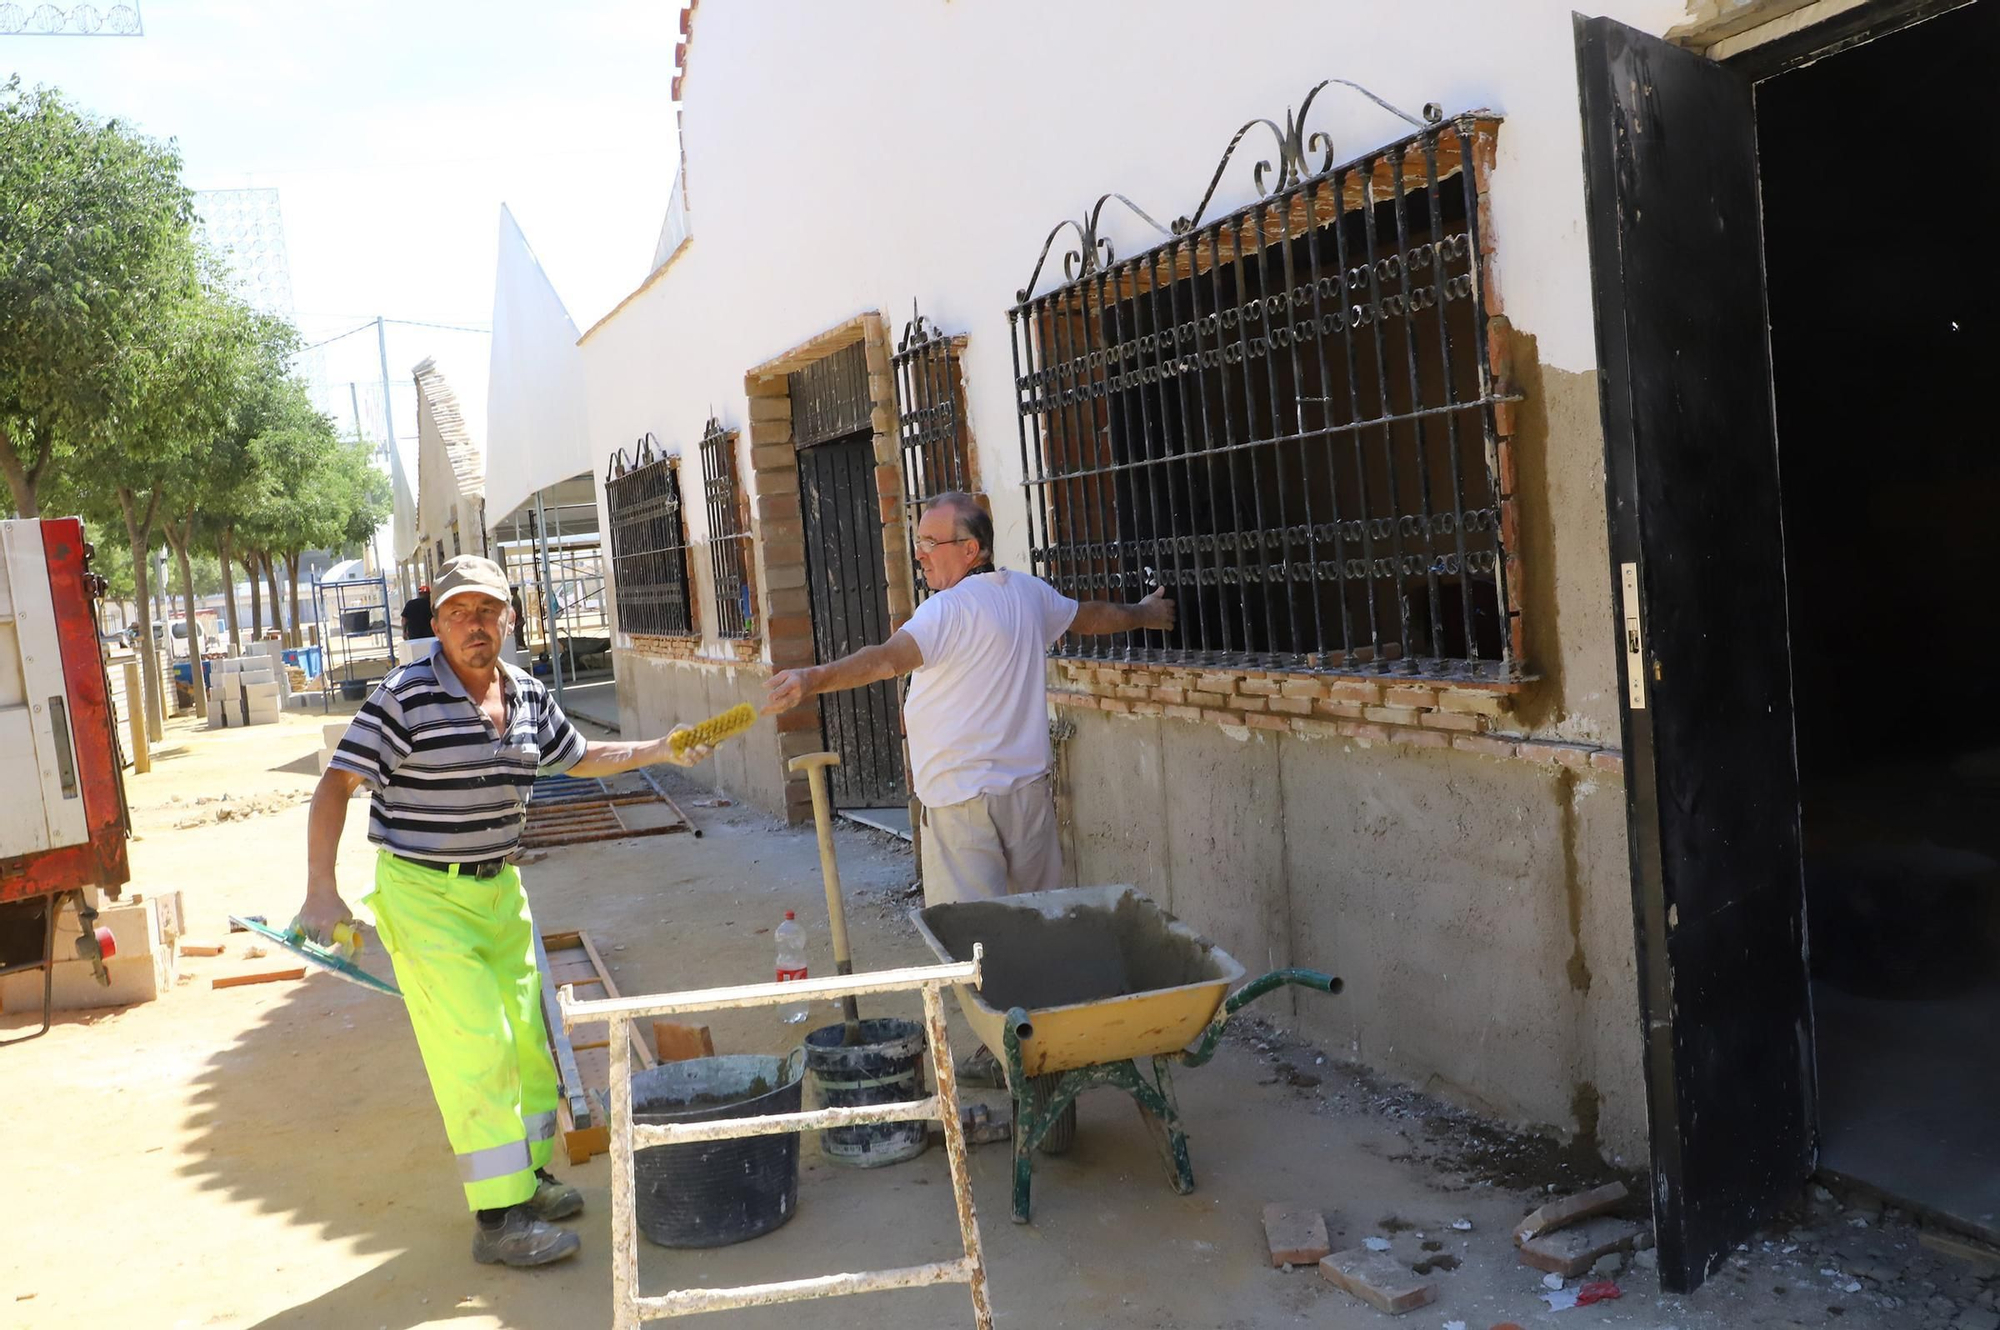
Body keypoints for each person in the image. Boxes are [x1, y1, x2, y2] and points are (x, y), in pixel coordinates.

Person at [297, 554, 714, 1268]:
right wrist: (320, 889)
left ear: (510, 618)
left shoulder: (524, 692)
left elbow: (578, 756)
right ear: (437, 625)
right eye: (459, 614)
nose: (474, 626)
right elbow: (337, 785)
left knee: (527, 1045)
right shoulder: (404, 697)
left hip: (497, 891)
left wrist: (660, 749)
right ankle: (499, 1220)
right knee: (477, 1050)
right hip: (425, 894)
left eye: (487, 611)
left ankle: (528, 1179)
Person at [763, 492, 1174, 906]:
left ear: (970, 549)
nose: (919, 554)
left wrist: (811, 678)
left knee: (974, 943)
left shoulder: (946, 611)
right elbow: (1089, 616)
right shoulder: (1028, 593)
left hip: (963, 810)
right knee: (1040, 927)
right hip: (1026, 801)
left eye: (929, 543)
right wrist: (1144, 614)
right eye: (917, 542)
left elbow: (885, 660)